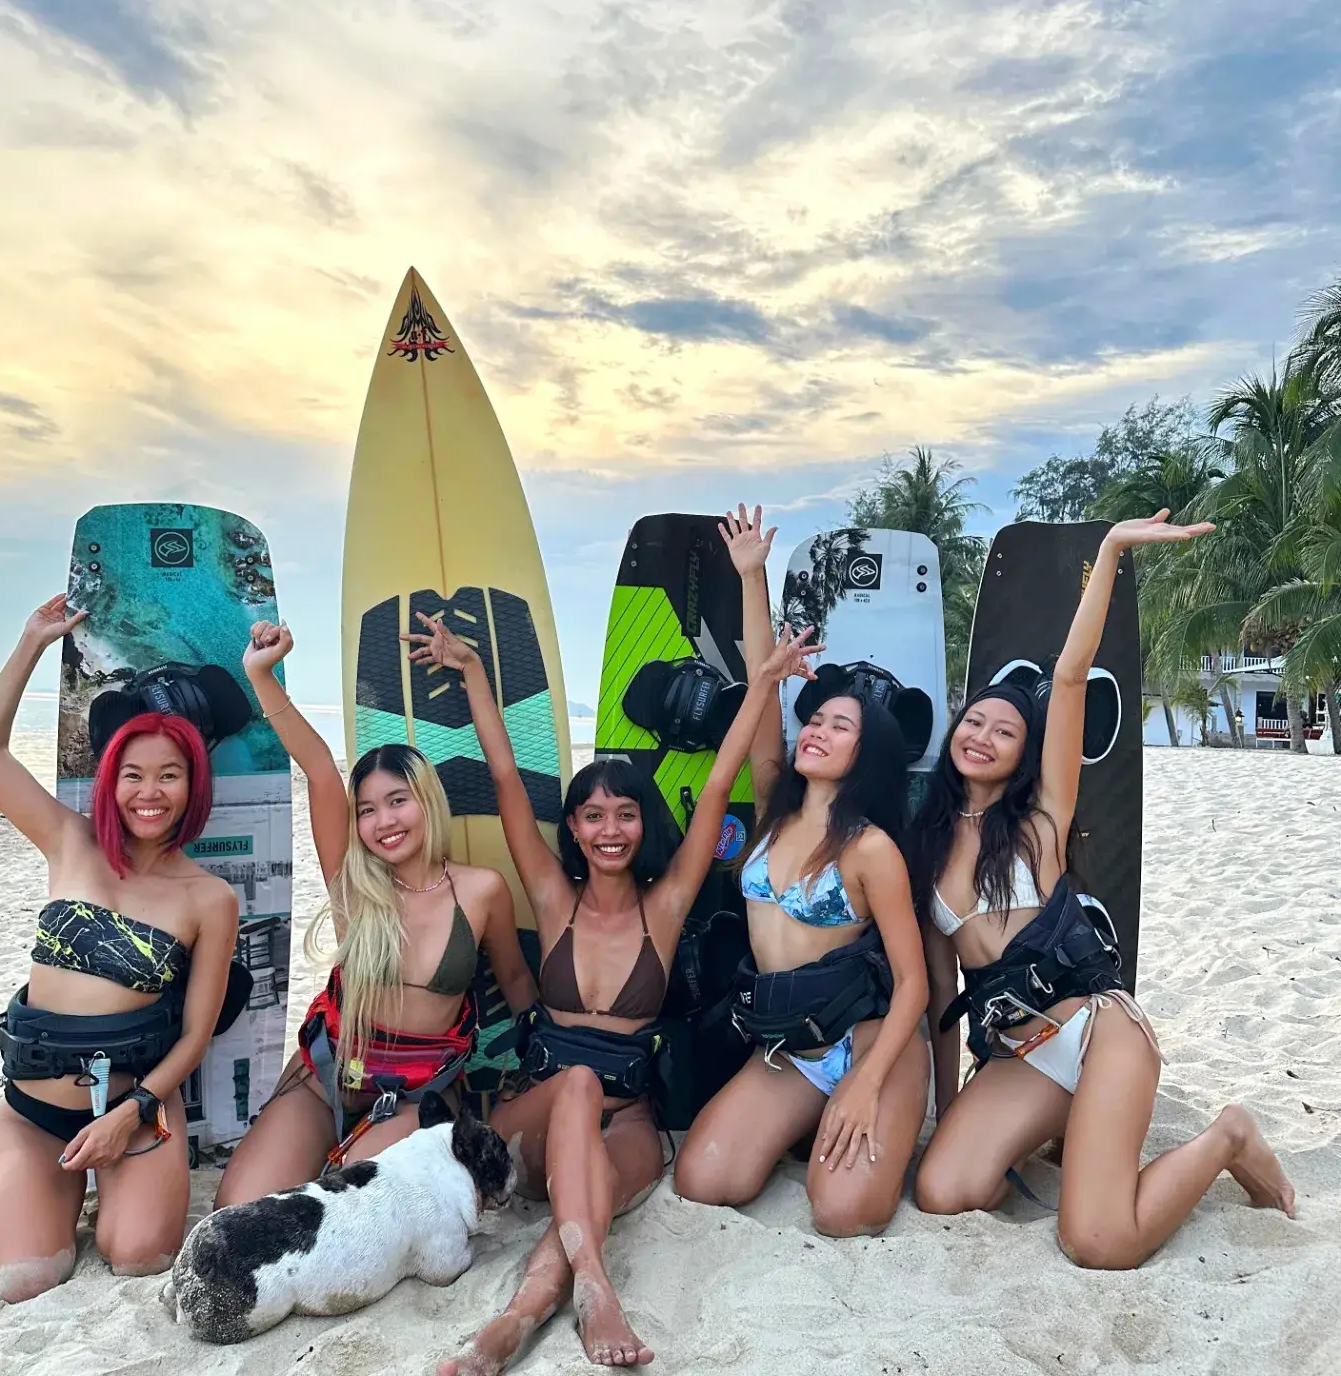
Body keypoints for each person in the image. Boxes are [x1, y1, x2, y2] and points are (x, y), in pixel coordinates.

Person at [411, 610, 821, 1374]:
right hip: (529, 1126)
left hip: (630, 1121)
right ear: (572, 826)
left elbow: (718, 788)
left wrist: (763, 682)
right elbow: (506, 779)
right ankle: (594, 1283)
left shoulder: (663, 909)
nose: (609, 829)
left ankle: (514, 1321)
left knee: (590, 1191)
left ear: (642, 824)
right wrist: (471, 672)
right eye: (593, 815)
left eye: (625, 814)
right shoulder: (551, 896)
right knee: (573, 1086)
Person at [911, 512, 1297, 1266]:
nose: (982, 736)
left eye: (1004, 732)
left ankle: (1228, 1135)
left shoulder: (1043, 822)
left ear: (1024, 757)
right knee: (943, 1189)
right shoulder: (924, 853)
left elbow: (1066, 674)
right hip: (1020, 1055)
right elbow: (939, 1001)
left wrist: (1112, 552)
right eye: (974, 721)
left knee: (1099, 1242)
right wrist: (949, 1116)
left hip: (1096, 1031)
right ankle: (1060, 1128)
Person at [0, 596, 239, 1304]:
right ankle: (29, 1177)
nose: (150, 793)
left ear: (192, 787)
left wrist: (135, 1112)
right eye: (133, 775)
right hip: (34, 1109)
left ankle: (134, 1165)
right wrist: (30, 642)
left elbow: (197, 1036)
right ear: (110, 782)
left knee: (140, 1255)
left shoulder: (208, 899)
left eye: (169, 776)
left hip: (135, 1104)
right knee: (21, 1281)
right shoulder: (69, 842)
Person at [673, 505, 931, 1237]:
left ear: (870, 751)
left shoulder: (870, 847)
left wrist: (865, 1083)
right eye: (814, 721)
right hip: (789, 1042)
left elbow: (913, 982)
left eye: (838, 725)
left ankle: (861, 1113)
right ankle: (804, 1120)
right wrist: (753, 578)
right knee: (703, 1179)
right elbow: (766, 687)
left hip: (868, 1041)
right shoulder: (773, 803)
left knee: (842, 1212)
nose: (815, 730)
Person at [214, 620, 537, 1206]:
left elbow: (514, 982)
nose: (383, 821)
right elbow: (317, 767)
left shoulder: (481, 891)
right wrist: (262, 674)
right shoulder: (354, 883)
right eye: (367, 810)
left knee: (350, 1209)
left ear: (427, 801)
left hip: (419, 1093)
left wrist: (539, 1055)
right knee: (241, 1207)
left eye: (398, 801)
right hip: (329, 1073)